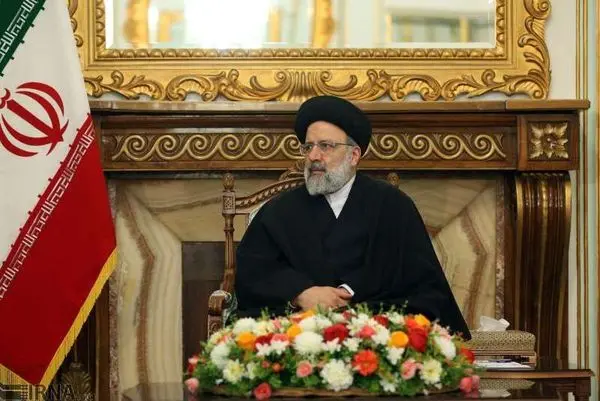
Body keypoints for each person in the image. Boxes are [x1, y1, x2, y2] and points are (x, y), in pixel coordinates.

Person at [234, 95, 470, 339]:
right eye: (308, 147)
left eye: (325, 146)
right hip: (301, 333)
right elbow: (253, 274)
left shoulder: (392, 206)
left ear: (354, 155)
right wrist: (300, 293)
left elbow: (422, 285)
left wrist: (349, 296)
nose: (313, 156)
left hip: (377, 333)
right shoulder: (279, 211)